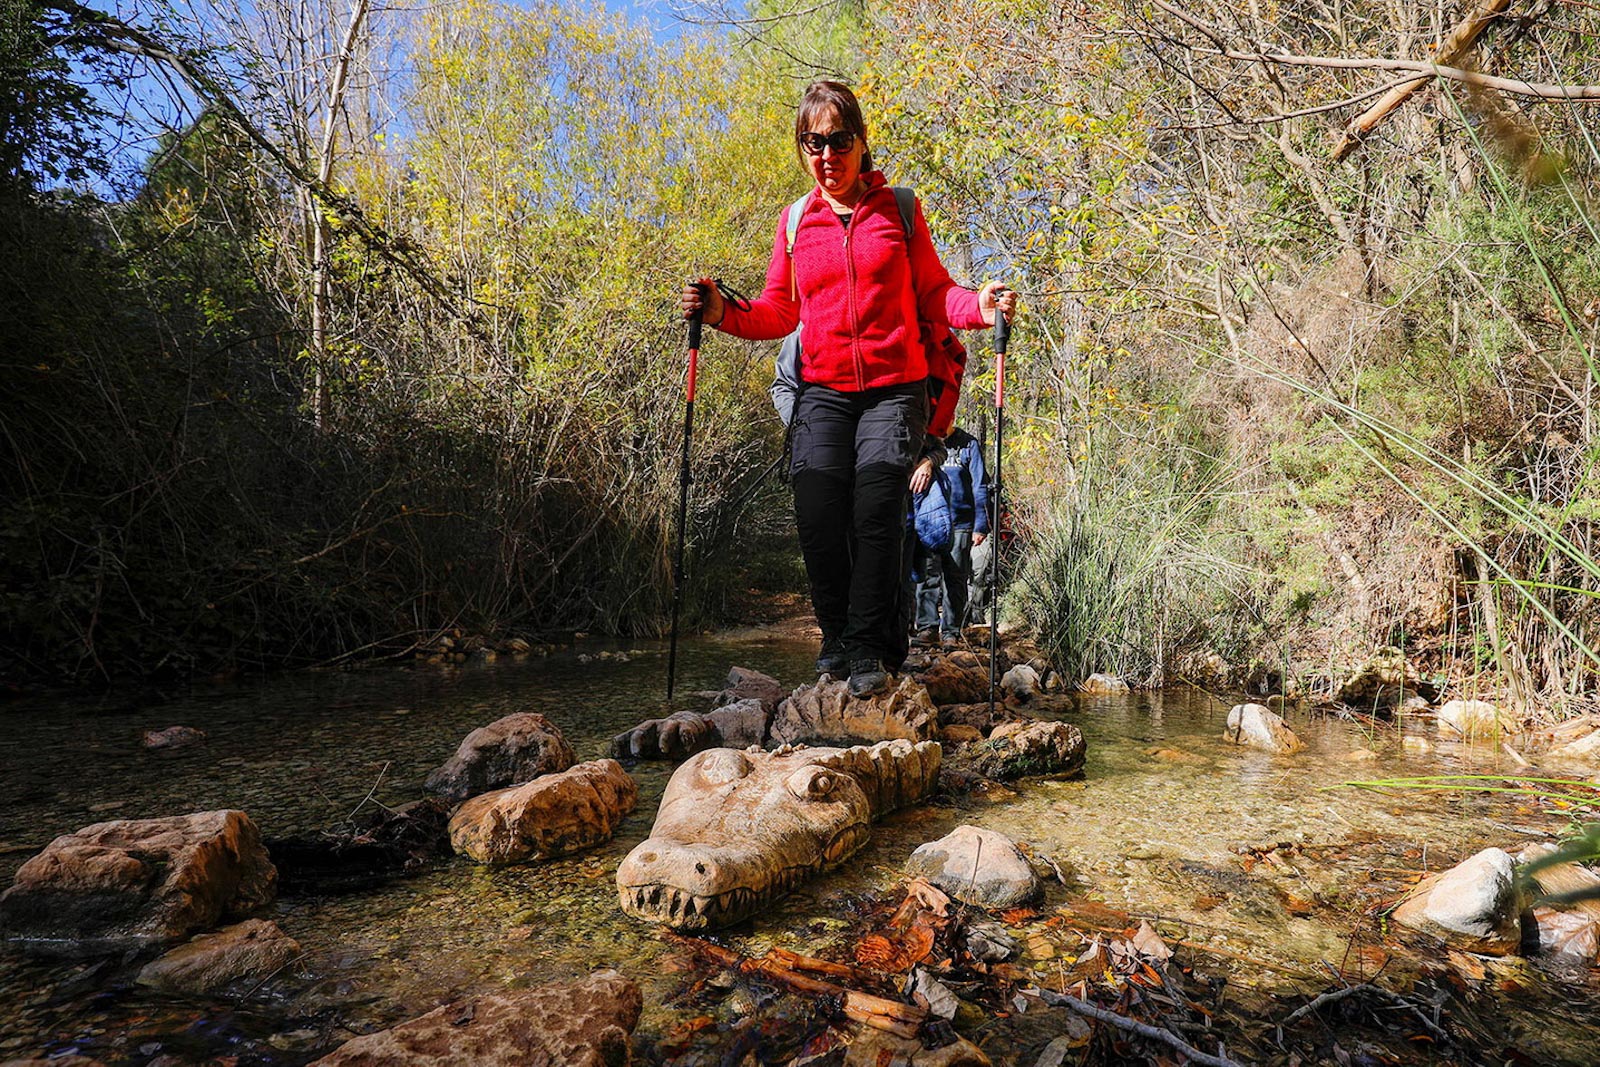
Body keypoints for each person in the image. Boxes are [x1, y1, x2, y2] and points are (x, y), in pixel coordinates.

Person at [682, 80, 1014, 698]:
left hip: (894, 388)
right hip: (824, 392)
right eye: (813, 143)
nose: (826, 155)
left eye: (838, 140)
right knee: (817, 514)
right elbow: (778, 312)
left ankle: (867, 650)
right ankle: (836, 639)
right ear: (802, 149)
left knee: (876, 514)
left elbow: (935, 294)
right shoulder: (795, 222)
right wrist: (720, 311)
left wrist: (980, 305)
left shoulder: (901, 211)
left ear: (861, 142)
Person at [913, 424, 988, 647]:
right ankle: (927, 628)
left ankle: (951, 631)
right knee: (927, 577)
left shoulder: (968, 444)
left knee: (955, 578)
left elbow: (980, 484)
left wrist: (980, 525)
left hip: (961, 522)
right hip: (929, 521)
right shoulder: (925, 442)